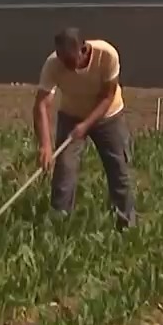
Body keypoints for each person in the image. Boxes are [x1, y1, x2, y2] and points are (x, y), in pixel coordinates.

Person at [33, 27, 136, 229]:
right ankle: (59, 225)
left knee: (118, 169)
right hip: (71, 115)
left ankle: (126, 225)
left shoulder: (107, 55)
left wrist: (86, 125)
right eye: (62, 60)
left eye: (70, 61)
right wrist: (45, 145)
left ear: (83, 50)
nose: (66, 66)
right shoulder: (54, 64)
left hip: (108, 116)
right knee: (64, 170)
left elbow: (108, 96)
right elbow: (41, 105)